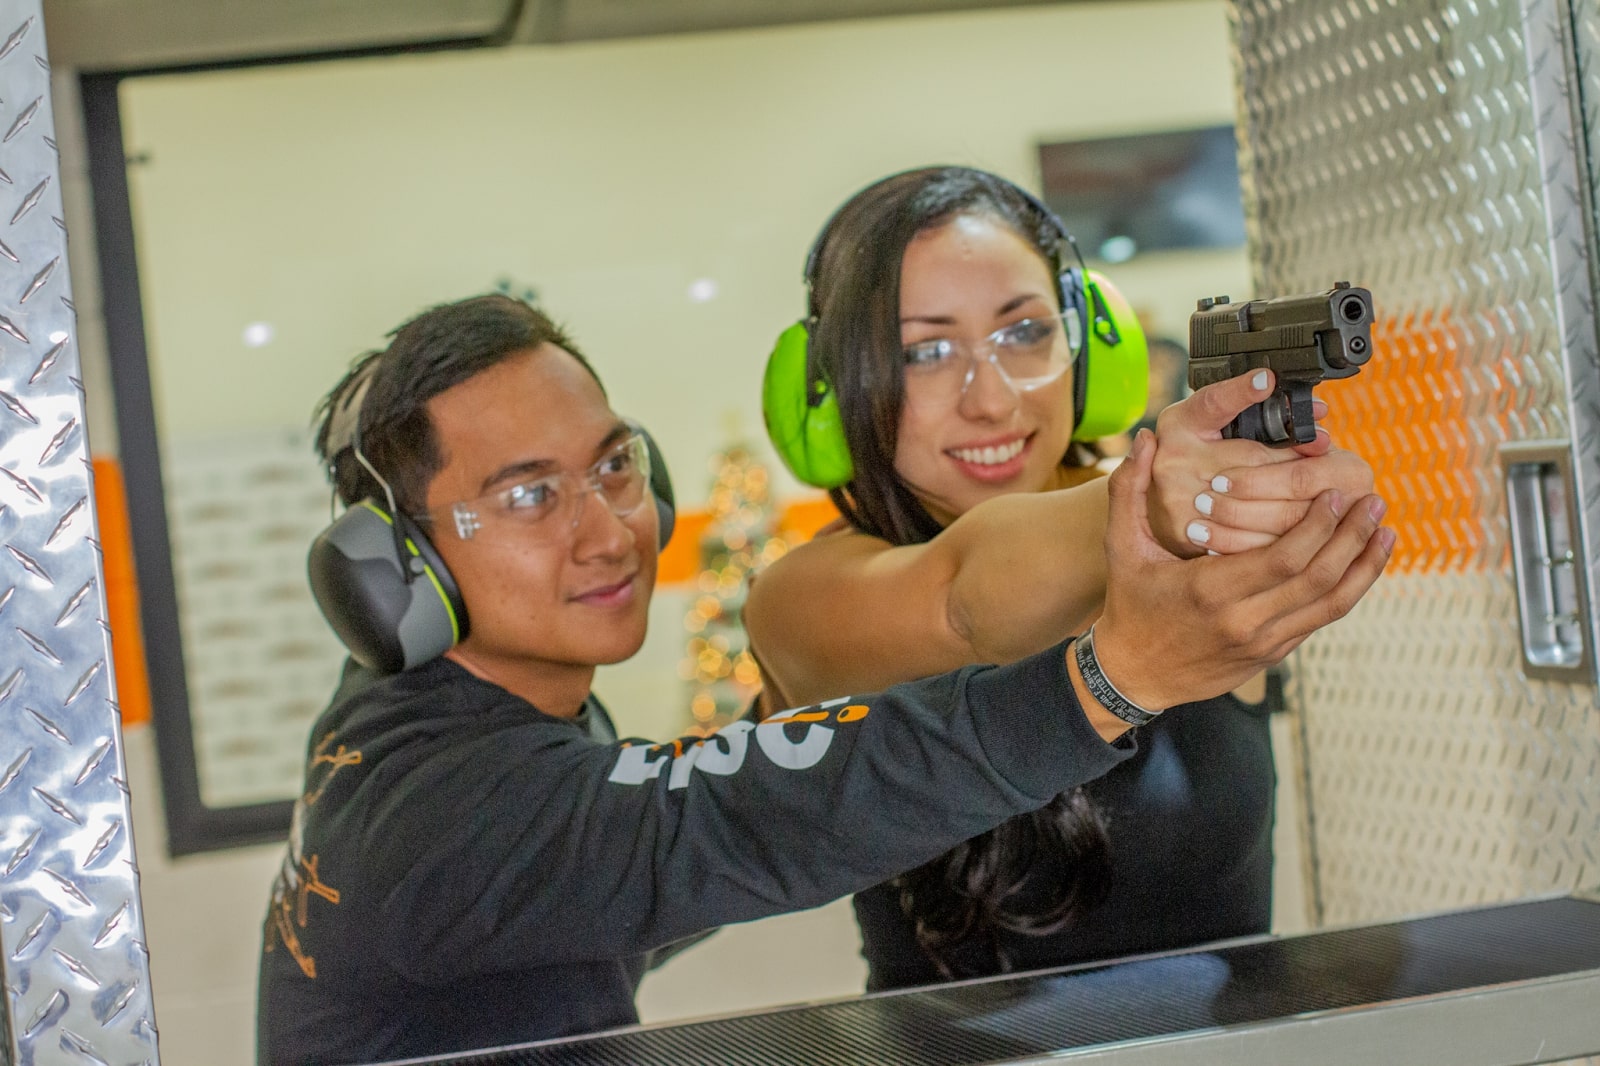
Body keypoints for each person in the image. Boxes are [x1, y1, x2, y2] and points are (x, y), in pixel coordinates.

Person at [255, 293, 1391, 1065]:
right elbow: (728, 827)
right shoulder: (434, 813)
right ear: (390, 572)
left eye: (611, 465)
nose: (607, 529)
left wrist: (801, 707)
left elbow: (629, 851)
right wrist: (1117, 672)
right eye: (525, 495)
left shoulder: (430, 720)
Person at [746, 166, 1382, 987]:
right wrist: (1151, 504)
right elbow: (960, 603)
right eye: (925, 351)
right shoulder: (801, 598)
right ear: (830, 388)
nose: (993, 400)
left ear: (1088, 343)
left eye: (1023, 334)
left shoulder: (1193, 511)